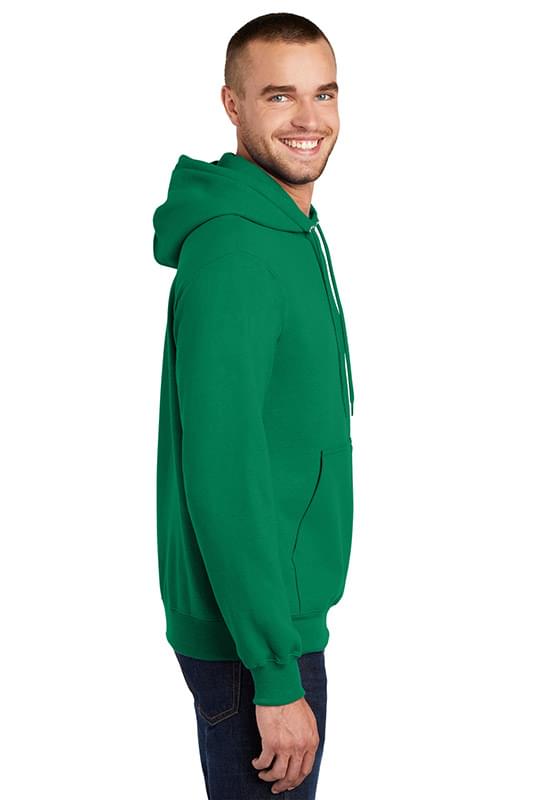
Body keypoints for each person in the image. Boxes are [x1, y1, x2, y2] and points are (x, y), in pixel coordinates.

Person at [152, 12, 355, 798]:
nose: (308, 119)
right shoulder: (235, 253)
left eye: (322, 94)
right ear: (232, 105)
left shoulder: (285, 230)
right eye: (279, 96)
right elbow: (223, 473)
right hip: (254, 641)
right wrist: (272, 672)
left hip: (273, 617)